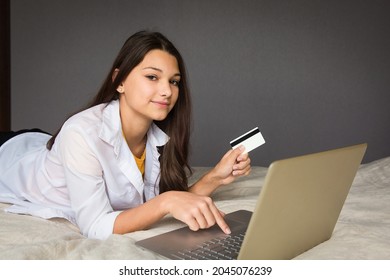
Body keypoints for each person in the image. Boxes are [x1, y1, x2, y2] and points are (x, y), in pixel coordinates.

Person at [0, 31, 251, 240]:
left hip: (45, 144)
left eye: (174, 81)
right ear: (119, 81)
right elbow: (95, 226)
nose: (167, 91)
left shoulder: (159, 136)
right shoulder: (81, 133)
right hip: (10, 153)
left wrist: (215, 177)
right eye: (152, 77)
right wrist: (164, 202)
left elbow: (170, 202)